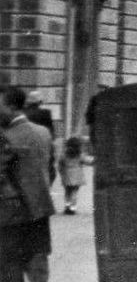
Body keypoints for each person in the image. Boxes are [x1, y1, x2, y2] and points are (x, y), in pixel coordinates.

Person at [1, 86, 56, 282]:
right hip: (40, 211)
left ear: (12, 107)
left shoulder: (5, 136)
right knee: (38, 269)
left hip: (9, 218)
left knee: (9, 270)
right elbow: (51, 170)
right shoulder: (44, 132)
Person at [57, 139, 84, 217]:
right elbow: (86, 160)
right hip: (77, 176)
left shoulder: (64, 154)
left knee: (67, 191)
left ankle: (67, 206)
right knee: (74, 192)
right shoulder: (79, 154)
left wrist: (61, 172)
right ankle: (73, 208)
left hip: (66, 175)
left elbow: (60, 163)